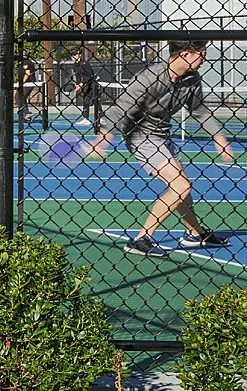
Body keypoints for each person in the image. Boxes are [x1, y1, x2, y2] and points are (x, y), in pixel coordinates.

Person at [90, 35, 233, 256]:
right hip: (140, 136)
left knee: (182, 185)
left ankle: (194, 234)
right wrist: (104, 137)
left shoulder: (192, 79)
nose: (204, 58)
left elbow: (200, 111)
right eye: (201, 54)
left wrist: (218, 138)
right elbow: (122, 108)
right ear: (185, 54)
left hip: (162, 136)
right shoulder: (149, 77)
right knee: (181, 186)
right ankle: (141, 238)